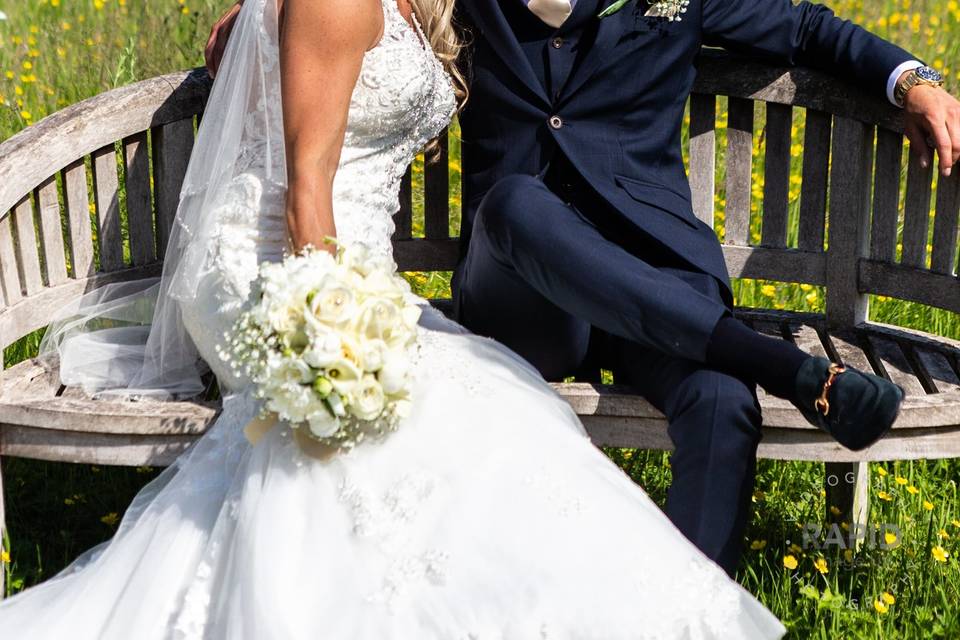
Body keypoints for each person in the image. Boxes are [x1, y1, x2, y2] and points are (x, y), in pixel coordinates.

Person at [0, 0, 787, 637]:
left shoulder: (436, 6)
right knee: (414, 421)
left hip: (357, 273)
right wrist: (327, 327)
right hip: (276, 267)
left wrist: (914, 76)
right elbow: (306, 187)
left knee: (492, 401)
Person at [212, 0, 960, 576]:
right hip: (522, 301)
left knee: (721, 400)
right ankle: (782, 368)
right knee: (513, 201)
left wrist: (915, 82)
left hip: (656, 275)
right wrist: (261, 18)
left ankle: (695, 612)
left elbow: (802, 27)